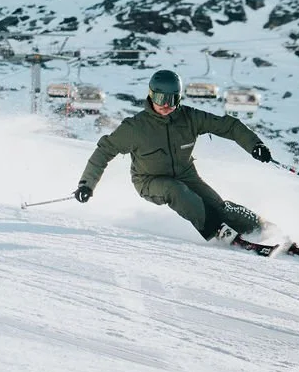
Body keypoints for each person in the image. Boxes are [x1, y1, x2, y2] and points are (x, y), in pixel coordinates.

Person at [74, 69, 273, 244]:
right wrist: (86, 184)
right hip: (149, 180)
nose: (166, 106)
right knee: (176, 190)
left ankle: (264, 228)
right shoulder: (135, 128)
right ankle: (218, 231)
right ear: (151, 96)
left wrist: (255, 145)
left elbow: (229, 126)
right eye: (161, 99)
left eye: (172, 100)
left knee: (221, 208)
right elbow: (104, 151)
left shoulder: (189, 118)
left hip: (186, 174)